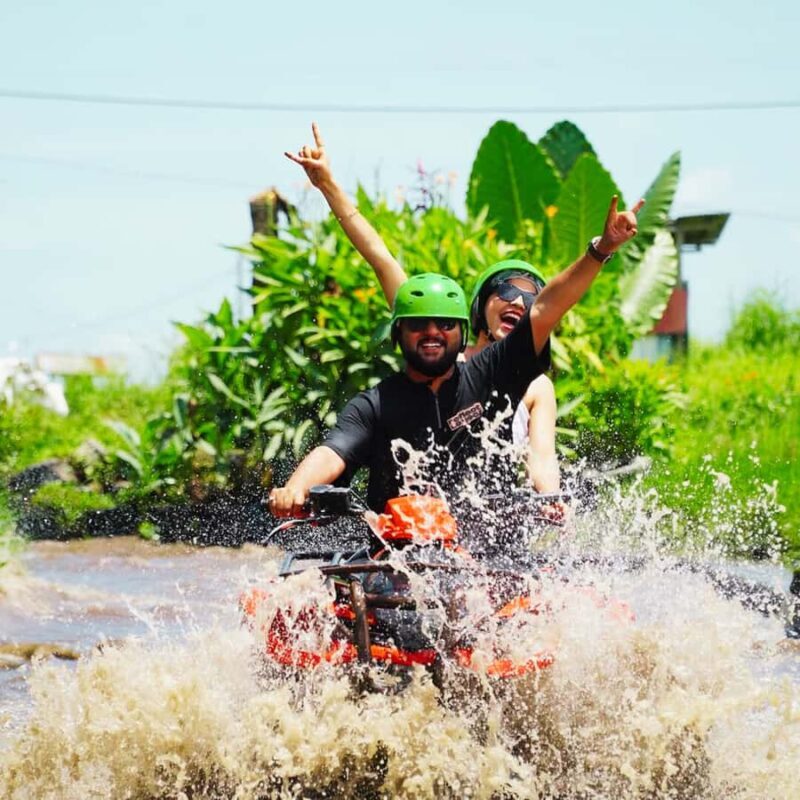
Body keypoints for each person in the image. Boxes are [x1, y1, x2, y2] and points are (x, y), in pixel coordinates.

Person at [269, 192, 643, 518]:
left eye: (444, 327)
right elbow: (334, 451)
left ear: (459, 329)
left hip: (486, 530)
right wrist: (297, 487)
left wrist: (602, 249)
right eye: (420, 326)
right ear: (399, 331)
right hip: (401, 546)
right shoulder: (376, 403)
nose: (432, 333)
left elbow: (547, 310)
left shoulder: (496, 374)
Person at [285, 124, 559, 493]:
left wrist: (551, 498)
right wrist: (328, 187)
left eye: (530, 299)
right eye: (506, 290)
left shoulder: (536, 384)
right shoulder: (440, 347)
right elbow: (380, 258)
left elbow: (542, 457)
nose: (517, 302)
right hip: (417, 507)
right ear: (473, 312)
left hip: (488, 511)